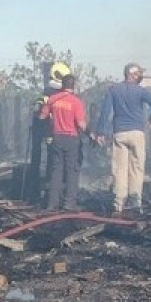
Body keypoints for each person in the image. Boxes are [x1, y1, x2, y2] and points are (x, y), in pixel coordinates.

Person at [93, 62, 151, 213]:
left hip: (120, 133)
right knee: (137, 169)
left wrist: (100, 132)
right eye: (139, 73)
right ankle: (136, 203)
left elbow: (105, 112)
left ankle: (119, 204)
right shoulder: (141, 91)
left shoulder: (114, 90)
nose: (140, 76)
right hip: (137, 133)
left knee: (119, 170)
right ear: (131, 74)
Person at [38, 71, 88, 210]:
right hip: (71, 138)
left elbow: (42, 117)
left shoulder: (53, 100)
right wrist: (91, 134)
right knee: (72, 170)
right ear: (73, 86)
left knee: (56, 171)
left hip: (57, 138)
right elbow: (81, 124)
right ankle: (69, 203)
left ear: (62, 85)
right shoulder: (76, 102)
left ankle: (52, 204)